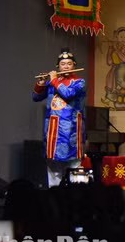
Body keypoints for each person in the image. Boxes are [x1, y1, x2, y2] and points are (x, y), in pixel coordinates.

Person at [32, 47, 87, 187]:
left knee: (74, 167)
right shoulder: (52, 82)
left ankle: (76, 196)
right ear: (58, 66)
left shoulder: (79, 82)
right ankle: (54, 195)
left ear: (74, 65)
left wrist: (54, 79)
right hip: (53, 131)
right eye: (63, 64)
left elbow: (67, 93)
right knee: (53, 167)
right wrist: (41, 84)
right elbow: (36, 97)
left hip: (72, 130)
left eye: (69, 63)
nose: (66, 66)